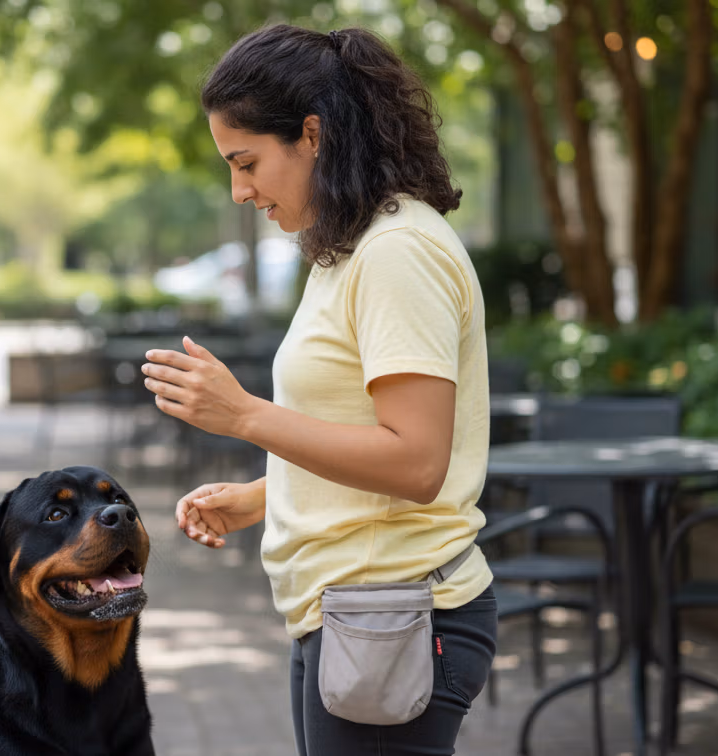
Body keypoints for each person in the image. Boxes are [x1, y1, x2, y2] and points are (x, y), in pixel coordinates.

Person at [140, 24, 496, 756]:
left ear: (312, 134)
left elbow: (418, 463)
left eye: (247, 163)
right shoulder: (352, 246)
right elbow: (365, 430)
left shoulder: (397, 252)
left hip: (393, 610)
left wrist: (244, 415)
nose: (240, 191)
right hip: (354, 608)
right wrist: (267, 495)